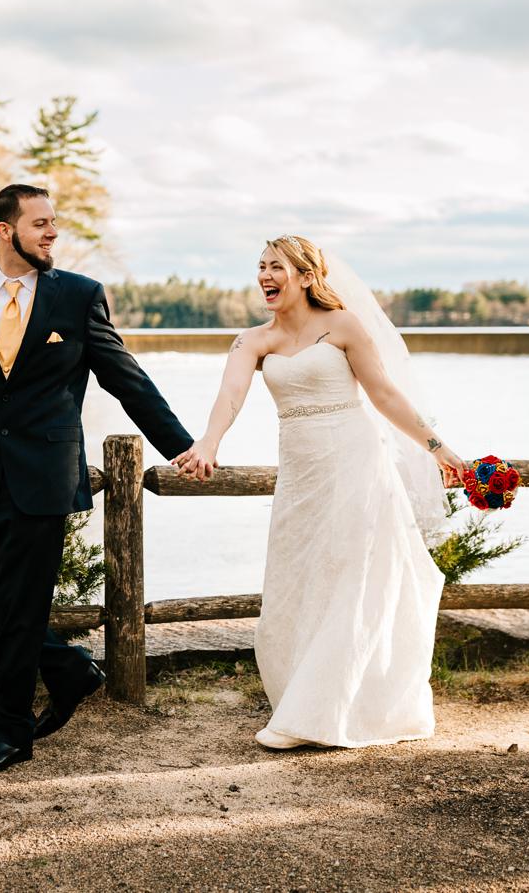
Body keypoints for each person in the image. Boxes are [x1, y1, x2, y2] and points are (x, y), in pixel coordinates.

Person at [0, 184, 195, 776]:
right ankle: (65, 668)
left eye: (54, 224)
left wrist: (182, 446)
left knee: (24, 605)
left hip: (45, 477)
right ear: (6, 230)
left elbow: (124, 378)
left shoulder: (79, 296)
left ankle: (10, 732)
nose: (52, 233)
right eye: (40, 224)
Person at [173, 235, 466, 750]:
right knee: (297, 581)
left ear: (307, 276)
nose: (265, 275)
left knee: (351, 581)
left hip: (356, 464)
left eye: (276, 266)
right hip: (301, 476)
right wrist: (208, 443)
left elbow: (384, 394)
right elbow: (230, 396)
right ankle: (304, 698)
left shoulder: (344, 326)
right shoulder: (253, 341)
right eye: (260, 267)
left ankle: (316, 715)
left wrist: (437, 448)